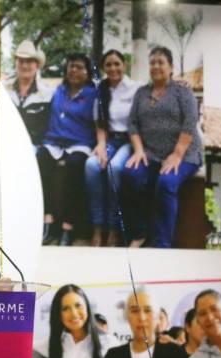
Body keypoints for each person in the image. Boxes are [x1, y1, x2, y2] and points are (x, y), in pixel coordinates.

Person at [122, 46, 203, 248]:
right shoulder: (142, 93)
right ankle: (139, 233)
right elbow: (132, 123)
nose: (156, 66)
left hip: (185, 155)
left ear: (171, 67)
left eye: (161, 62)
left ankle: (162, 245)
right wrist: (139, 150)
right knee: (130, 175)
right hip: (151, 153)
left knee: (166, 183)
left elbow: (190, 123)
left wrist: (176, 155)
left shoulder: (183, 92)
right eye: (152, 63)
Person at [38, 53, 98, 246]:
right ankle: (48, 221)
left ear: (87, 72)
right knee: (41, 159)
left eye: (79, 67)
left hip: (79, 143)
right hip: (54, 142)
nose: (74, 70)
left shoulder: (93, 94)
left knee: (75, 166)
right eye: (71, 66)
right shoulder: (59, 90)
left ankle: (67, 227)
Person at [85, 50, 141, 247]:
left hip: (129, 141)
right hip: (109, 140)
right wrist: (101, 145)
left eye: (117, 63)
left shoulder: (135, 88)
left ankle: (114, 228)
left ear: (124, 65)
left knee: (115, 168)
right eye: (108, 64)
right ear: (103, 68)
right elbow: (99, 122)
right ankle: (98, 226)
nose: (113, 68)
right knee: (91, 165)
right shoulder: (101, 89)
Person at [9, 40, 53, 147]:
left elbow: (48, 128)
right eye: (20, 61)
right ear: (15, 63)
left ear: (37, 65)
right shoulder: (3, 90)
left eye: (29, 61)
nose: (24, 66)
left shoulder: (47, 94)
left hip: (34, 146)